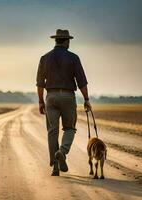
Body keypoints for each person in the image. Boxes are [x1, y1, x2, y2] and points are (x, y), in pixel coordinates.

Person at [36, 29, 92, 176]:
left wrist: (41, 102)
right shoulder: (73, 58)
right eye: (69, 41)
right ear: (66, 41)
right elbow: (81, 82)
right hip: (68, 96)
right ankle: (62, 151)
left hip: (51, 97)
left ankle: (55, 167)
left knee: (52, 131)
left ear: (56, 40)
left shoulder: (44, 58)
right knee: (69, 128)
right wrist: (86, 99)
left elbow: (40, 84)